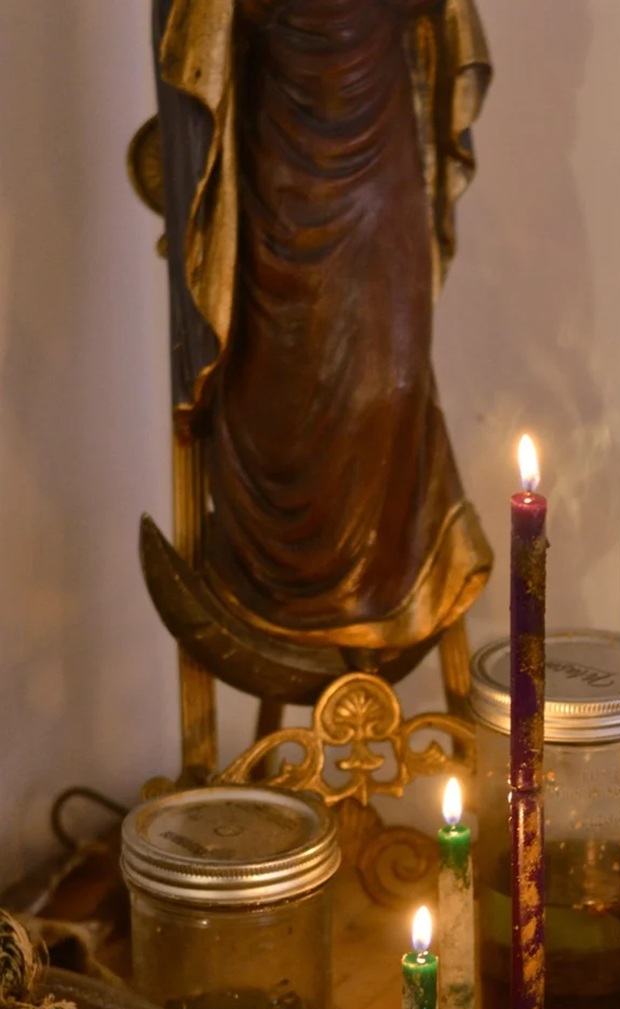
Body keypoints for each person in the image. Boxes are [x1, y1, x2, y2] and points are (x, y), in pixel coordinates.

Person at [143, 0, 492, 687]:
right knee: (278, 382)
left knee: (389, 381)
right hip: (279, 160)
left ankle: (389, 582)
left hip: (381, 153)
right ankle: (288, 594)